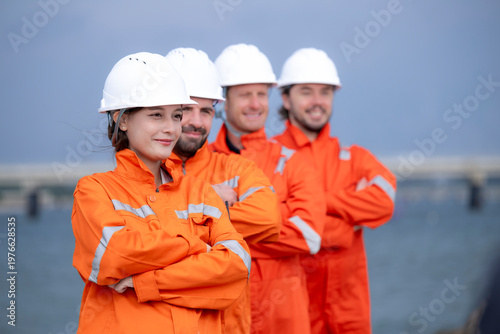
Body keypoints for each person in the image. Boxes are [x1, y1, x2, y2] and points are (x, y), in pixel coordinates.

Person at [71, 52, 251, 334]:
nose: (170, 128)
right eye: (156, 115)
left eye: (176, 116)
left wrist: (145, 282)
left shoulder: (201, 193)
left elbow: (236, 270)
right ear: (122, 119)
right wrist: (195, 246)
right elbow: (113, 256)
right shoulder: (94, 190)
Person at [274, 47, 397, 334]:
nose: (317, 101)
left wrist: (313, 205)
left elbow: (384, 202)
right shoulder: (270, 155)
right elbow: (268, 223)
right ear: (286, 99)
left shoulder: (354, 158)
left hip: (350, 312)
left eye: (325, 92)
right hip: (292, 311)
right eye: (306, 92)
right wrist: (344, 226)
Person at [165, 47, 282, 334]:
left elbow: (268, 219)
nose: (196, 121)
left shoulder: (237, 169)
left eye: (206, 111)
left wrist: (173, 219)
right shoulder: (142, 173)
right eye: (186, 109)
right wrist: (212, 204)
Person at [212, 43, 326, 334]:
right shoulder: (203, 164)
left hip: (284, 320)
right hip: (222, 316)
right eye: (244, 95)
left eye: (261, 94)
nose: (255, 104)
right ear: (222, 102)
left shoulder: (292, 162)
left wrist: (222, 222)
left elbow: (309, 236)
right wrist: (274, 216)